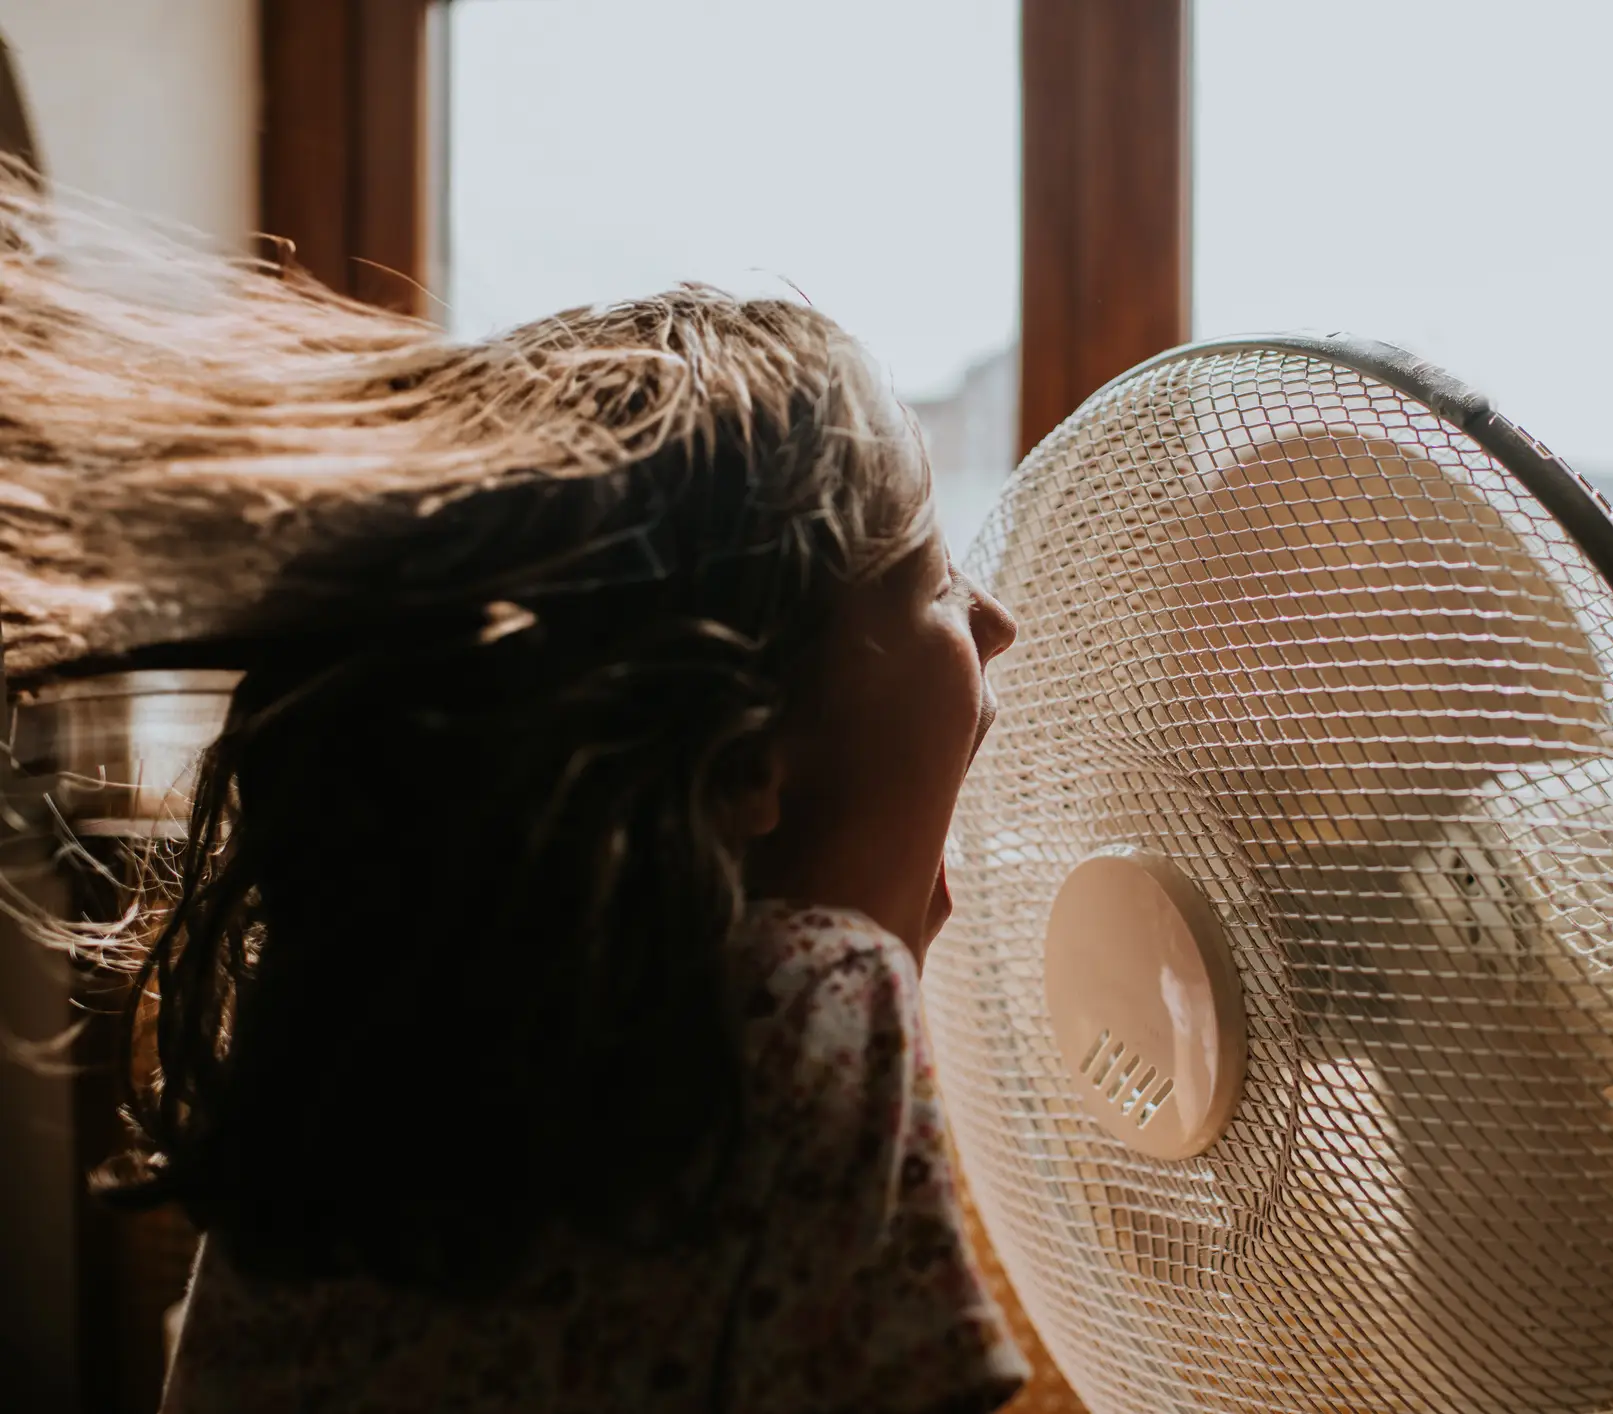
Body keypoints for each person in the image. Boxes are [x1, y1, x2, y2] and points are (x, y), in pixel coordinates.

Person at [0, 165, 1025, 1413]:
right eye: (926, 576)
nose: (996, 619)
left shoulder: (345, 1061)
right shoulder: (818, 998)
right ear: (745, 750)